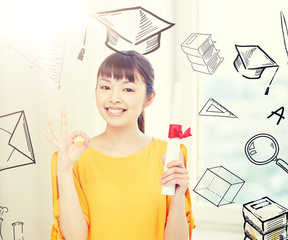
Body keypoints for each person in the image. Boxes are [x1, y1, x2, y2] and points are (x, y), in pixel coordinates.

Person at [44, 50, 195, 240]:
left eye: (128, 89)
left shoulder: (170, 155)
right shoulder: (73, 157)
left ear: (149, 98)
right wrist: (64, 170)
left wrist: (178, 199)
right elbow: (76, 238)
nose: (114, 98)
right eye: (105, 87)